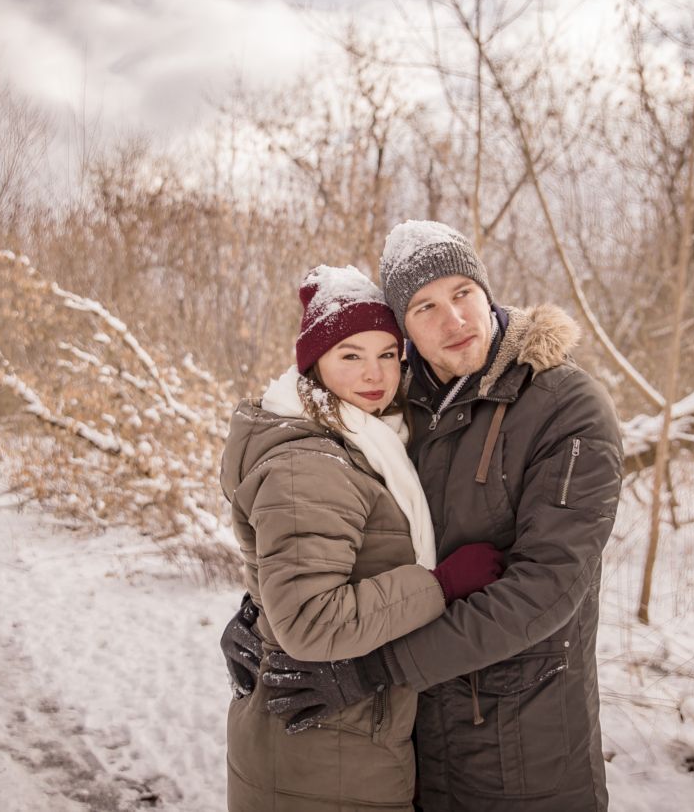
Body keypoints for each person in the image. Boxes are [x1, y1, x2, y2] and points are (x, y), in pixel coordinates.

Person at [223, 222, 623, 812]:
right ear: (404, 328)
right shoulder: (393, 402)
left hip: (519, 746)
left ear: (486, 292)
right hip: (411, 745)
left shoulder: (564, 406)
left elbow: (546, 590)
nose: (454, 320)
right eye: (425, 307)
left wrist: (374, 669)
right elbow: (336, 529)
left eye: (463, 293)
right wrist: (262, 614)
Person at [220, 264, 505, 812]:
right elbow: (310, 621)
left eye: (387, 354)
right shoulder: (311, 464)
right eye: (350, 355)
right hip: (319, 751)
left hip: (336, 742)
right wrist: (440, 585)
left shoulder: (363, 438)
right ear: (314, 363)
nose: (374, 374)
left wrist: (256, 608)